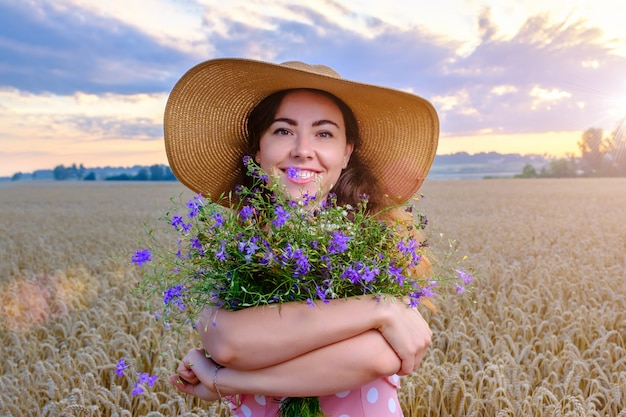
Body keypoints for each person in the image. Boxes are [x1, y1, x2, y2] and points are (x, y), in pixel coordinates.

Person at [162, 58, 440, 417]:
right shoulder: (226, 248)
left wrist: (226, 380)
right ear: (257, 149)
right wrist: (381, 308)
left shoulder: (380, 245)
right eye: (283, 131)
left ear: (346, 152)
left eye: (323, 133)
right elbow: (227, 341)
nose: (302, 150)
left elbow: (380, 355)